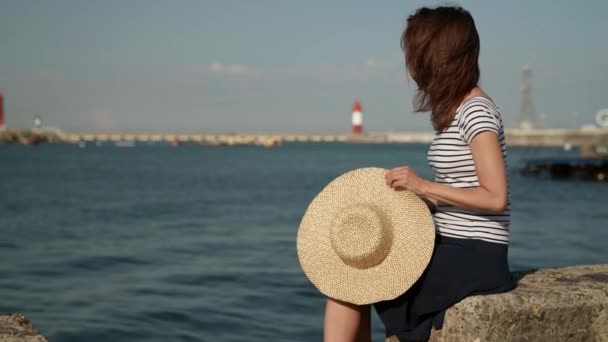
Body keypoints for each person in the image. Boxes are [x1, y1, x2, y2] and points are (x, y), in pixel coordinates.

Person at [323, 6, 517, 342]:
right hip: (451, 242)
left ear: (438, 55)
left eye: (416, 52)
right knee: (351, 276)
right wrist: (421, 198)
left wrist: (424, 184)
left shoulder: (476, 110)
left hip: (474, 253)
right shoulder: (455, 110)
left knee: (352, 283)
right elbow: (461, 188)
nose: (412, 64)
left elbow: (495, 197)